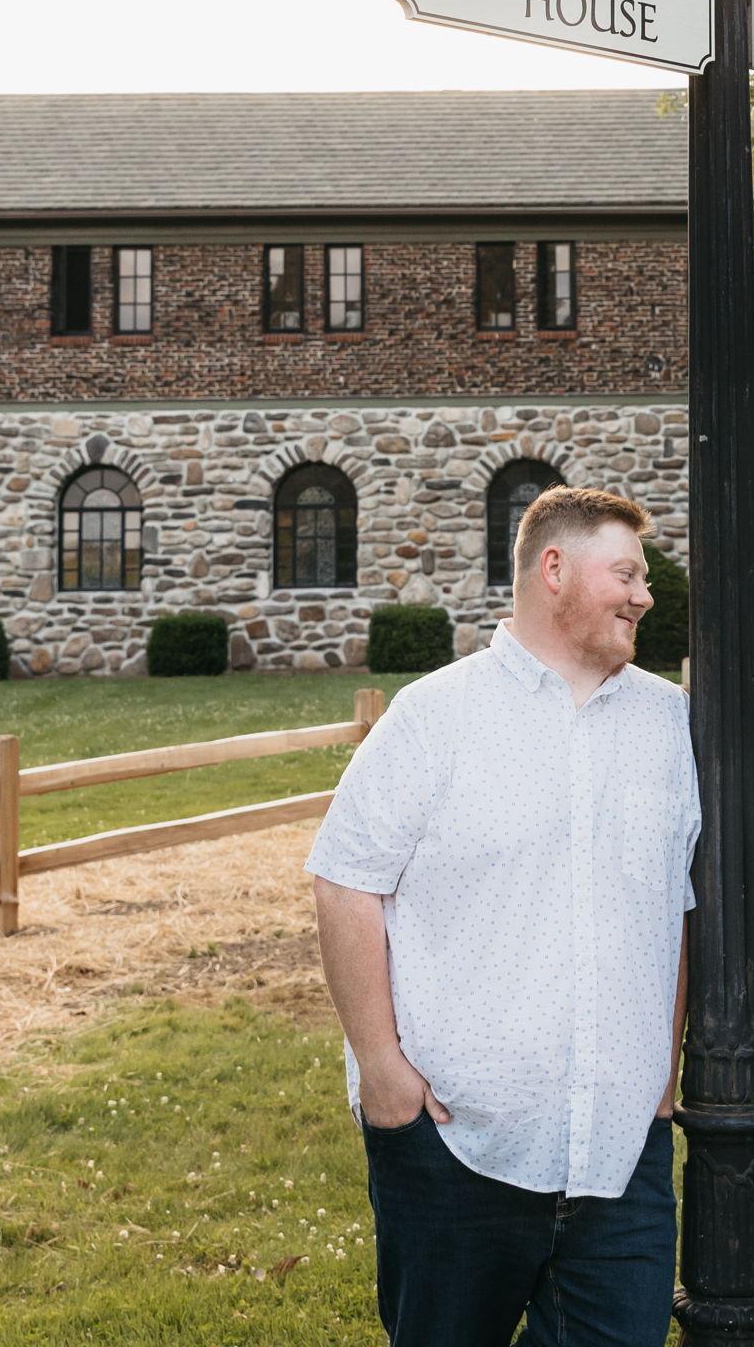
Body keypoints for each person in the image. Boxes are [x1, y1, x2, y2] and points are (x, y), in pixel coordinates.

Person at [307, 485, 699, 1347]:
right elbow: (344, 883)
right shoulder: (435, 716)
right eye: (627, 574)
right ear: (554, 569)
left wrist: (661, 1078)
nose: (645, 595)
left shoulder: (672, 725)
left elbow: (677, 907)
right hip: (454, 1145)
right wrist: (381, 1069)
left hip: (621, 1152)